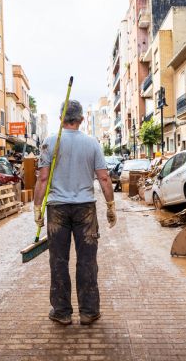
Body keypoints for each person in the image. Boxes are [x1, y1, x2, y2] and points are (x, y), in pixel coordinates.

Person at [34, 100, 117, 326]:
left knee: (59, 261)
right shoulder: (92, 143)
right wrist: (110, 205)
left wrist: (36, 208)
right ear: (80, 119)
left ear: (61, 118)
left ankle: (61, 312)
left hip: (57, 209)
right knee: (87, 261)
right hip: (85, 210)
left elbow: (42, 179)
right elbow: (103, 178)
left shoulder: (50, 143)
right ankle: (89, 312)